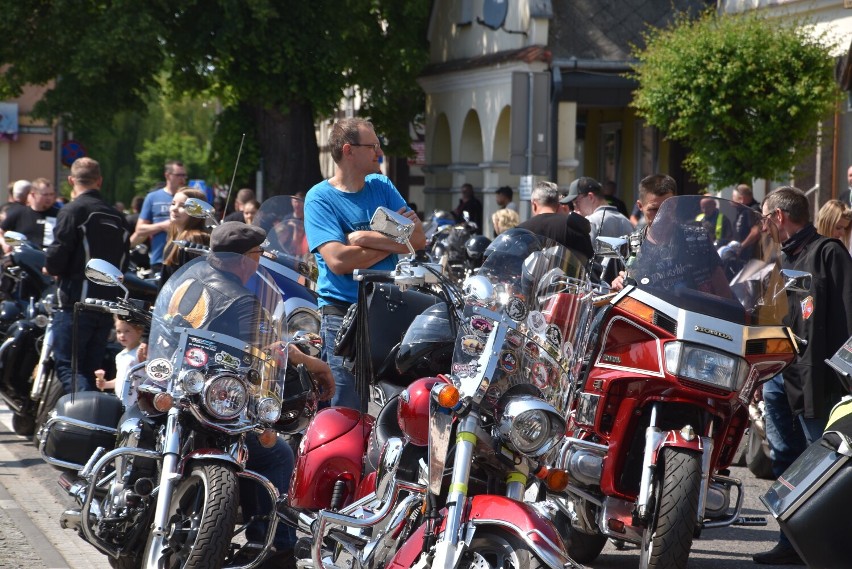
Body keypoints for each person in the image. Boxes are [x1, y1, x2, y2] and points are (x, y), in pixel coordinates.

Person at [160, 221, 334, 569]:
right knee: (277, 455)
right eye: (257, 254)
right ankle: (273, 547)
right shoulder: (243, 301)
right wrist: (305, 360)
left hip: (173, 386)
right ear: (243, 259)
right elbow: (268, 352)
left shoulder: (187, 282)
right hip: (211, 400)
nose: (259, 261)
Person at [753, 186, 852, 565]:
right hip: (780, 377)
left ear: (779, 216)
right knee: (785, 462)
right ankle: (790, 543)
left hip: (816, 381)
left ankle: (820, 548)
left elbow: (847, 313)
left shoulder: (828, 253)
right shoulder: (782, 256)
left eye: (765, 218)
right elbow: (772, 314)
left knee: (818, 465)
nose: (763, 226)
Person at [304, 117, 425, 410]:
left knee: (397, 404)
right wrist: (394, 241)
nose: (379, 152)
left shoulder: (381, 185)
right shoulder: (319, 198)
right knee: (346, 407)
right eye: (372, 146)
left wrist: (361, 237)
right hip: (343, 313)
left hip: (389, 306)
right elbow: (338, 261)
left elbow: (419, 239)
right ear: (349, 150)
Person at [45, 157, 130, 394]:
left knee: (69, 368)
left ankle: (82, 418)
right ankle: (93, 420)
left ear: (72, 180)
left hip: (75, 303)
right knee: (92, 368)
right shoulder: (118, 217)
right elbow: (125, 262)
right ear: (99, 181)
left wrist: (50, 267)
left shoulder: (73, 211)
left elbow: (58, 253)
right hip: (106, 305)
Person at [611, 173, 676, 291]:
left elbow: (719, 288)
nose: (661, 216)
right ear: (640, 206)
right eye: (653, 209)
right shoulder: (625, 247)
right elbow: (604, 295)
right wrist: (616, 285)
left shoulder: (696, 240)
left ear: (675, 204)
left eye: (667, 208)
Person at [517, 181, 593, 260]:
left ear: (534, 204)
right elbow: (589, 261)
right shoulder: (574, 225)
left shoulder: (521, 231)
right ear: (558, 204)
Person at [134, 160, 188, 272]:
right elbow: (140, 229)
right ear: (167, 175)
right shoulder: (152, 197)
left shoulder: (189, 198)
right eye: (179, 175)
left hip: (184, 260)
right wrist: (163, 226)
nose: (183, 179)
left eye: (184, 175)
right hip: (159, 260)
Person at [159, 188, 210, 288]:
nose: (174, 208)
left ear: (196, 212)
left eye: (182, 206)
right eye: (173, 203)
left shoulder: (193, 238)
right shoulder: (174, 235)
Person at [94, 315, 145, 405]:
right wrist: (105, 384)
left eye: (127, 331)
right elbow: (121, 379)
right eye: (118, 331)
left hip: (136, 402)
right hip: (121, 401)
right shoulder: (120, 356)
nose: (122, 335)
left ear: (139, 332)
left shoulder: (141, 352)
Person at [561, 176, 633, 240]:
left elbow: (584, 253)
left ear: (590, 197)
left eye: (576, 202)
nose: (576, 209)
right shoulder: (626, 221)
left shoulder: (590, 221)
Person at [0, 177, 60, 249]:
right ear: (33, 195)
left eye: (51, 194)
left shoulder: (59, 214)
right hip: (23, 257)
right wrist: (4, 243)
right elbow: (1, 232)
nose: (49, 198)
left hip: (48, 257)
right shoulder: (19, 213)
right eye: (45, 195)